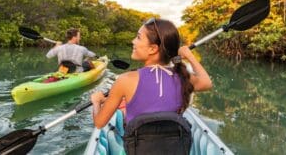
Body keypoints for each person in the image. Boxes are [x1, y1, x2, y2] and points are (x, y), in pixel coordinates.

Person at [90, 18, 213, 153]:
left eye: (138, 37)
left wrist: (97, 102)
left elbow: (99, 123)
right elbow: (207, 83)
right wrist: (190, 56)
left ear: (153, 48)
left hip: (138, 149)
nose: (133, 41)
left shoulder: (125, 80)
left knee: (123, 114)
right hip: (173, 149)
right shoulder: (183, 77)